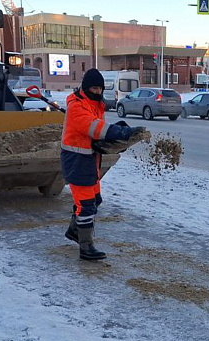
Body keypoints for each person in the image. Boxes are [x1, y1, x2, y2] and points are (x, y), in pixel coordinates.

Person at [62, 68, 141, 261]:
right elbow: (94, 127)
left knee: (95, 200)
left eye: (100, 88)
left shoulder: (96, 104)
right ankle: (86, 247)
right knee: (86, 205)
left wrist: (115, 132)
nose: (97, 91)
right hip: (77, 160)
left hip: (90, 158)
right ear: (85, 87)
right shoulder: (77, 106)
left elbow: (96, 129)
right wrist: (119, 133)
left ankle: (75, 231)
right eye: (94, 88)